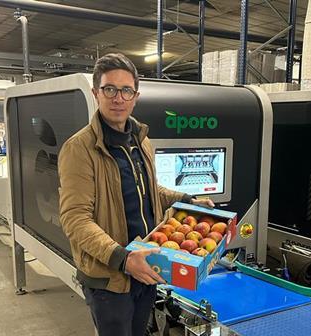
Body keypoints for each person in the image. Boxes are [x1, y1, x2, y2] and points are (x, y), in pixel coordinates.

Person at [58, 53, 214, 336]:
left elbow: (152, 190)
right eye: (110, 89)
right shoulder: (79, 149)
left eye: (126, 90)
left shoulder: (141, 142)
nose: (118, 98)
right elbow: (74, 218)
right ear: (96, 93)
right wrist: (122, 258)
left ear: (135, 96)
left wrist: (187, 200)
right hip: (111, 278)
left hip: (147, 264)